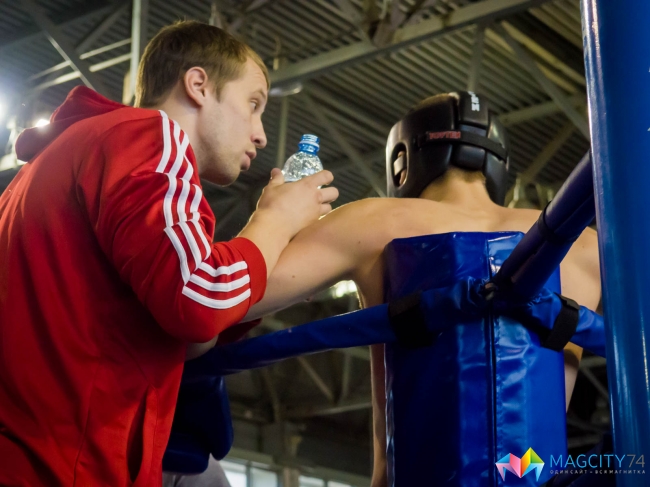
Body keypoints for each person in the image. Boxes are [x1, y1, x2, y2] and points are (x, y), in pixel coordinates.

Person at [0, 21, 337, 486]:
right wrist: (275, 220)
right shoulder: (148, 135)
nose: (261, 135)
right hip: (64, 468)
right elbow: (198, 298)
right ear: (198, 85)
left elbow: (174, 328)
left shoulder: (52, 165)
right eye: (253, 104)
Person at [241, 92, 601, 487]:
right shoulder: (585, 247)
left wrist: (274, 219)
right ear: (499, 163)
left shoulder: (372, 221)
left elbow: (230, 297)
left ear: (401, 161)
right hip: (536, 473)